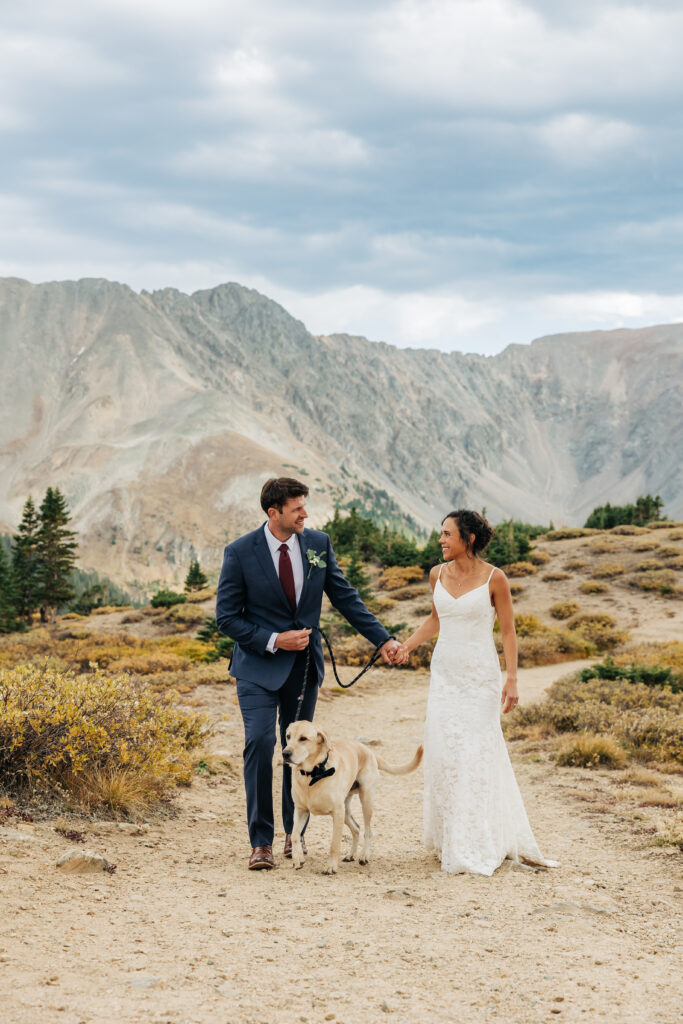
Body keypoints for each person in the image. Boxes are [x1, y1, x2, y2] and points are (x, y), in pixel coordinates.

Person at [216, 477, 401, 870]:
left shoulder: (318, 544)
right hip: (255, 667)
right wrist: (273, 639)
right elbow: (226, 618)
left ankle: (292, 834)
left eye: (305, 506)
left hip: (303, 669)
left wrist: (382, 640)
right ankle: (260, 842)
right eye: (297, 507)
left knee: (299, 750)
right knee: (261, 745)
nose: (305, 513)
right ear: (274, 512)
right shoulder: (240, 553)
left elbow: (345, 596)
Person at [393, 509, 557, 875]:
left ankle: (477, 840)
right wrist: (406, 645)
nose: (441, 541)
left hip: (480, 678)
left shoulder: (495, 578)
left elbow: (509, 632)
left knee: (474, 754)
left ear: (467, 539)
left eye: (447, 534)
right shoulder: (436, 574)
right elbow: (436, 619)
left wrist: (512, 678)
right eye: (441, 534)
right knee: (445, 754)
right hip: (445, 676)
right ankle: (450, 835)